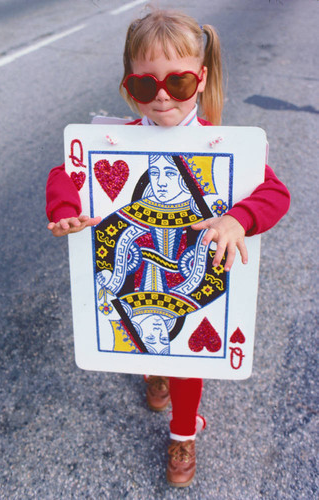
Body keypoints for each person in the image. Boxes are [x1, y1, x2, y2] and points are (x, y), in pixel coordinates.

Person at [46, 9, 290, 488]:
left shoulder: (227, 148)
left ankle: (184, 433)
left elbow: (275, 194)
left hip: (188, 272)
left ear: (199, 80)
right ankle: (151, 369)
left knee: (186, 356)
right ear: (127, 87)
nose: (161, 97)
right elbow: (64, 174)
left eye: (176, 83)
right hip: (138, 270)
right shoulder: (110, 139)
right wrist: (65, 207)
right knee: (147, 331)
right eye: (144, 85)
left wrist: (238, 218)